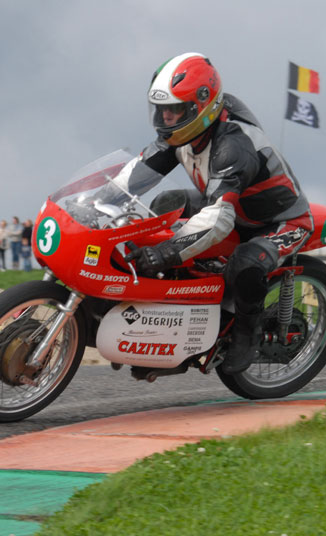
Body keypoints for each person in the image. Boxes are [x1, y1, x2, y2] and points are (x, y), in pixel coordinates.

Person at [116, 52, 313, 374]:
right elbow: (134, 176)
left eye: (175, 110)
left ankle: (245, 333)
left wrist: (167, 251)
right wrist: (98, 202)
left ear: (202, 105)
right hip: (231, 205)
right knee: (164, 208)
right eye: (161, 110)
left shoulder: (232, 145)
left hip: (278, 220)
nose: (166, 118)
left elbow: (219, 218)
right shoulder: (184, 131)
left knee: (245, 263)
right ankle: (167, 322)